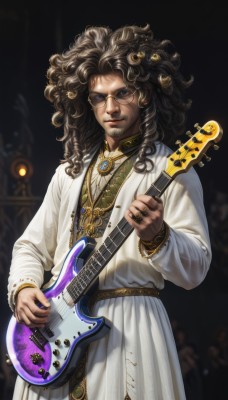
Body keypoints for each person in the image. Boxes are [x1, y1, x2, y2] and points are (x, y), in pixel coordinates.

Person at [7, 23, 212, 400]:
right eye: (99, 98)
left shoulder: (173, 170)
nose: (111, 108)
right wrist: (24, 290)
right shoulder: (69, 172)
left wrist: (159, 236)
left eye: (122, 94)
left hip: (132, 327)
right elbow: (30, 247)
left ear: (146, 95)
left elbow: (197, 266)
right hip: (55, 329)